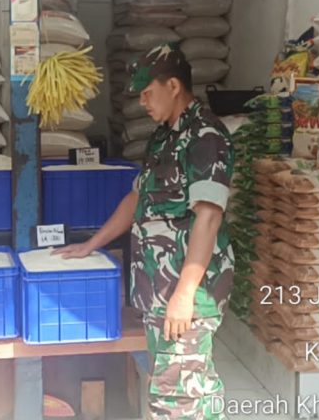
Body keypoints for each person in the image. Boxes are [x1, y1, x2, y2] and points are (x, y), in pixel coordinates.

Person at [55, 43, 235, 419]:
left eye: (148, 93)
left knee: (177, 399)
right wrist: (91, 244)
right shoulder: (162, 137)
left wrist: (184, 295)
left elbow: (208, 218)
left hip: (187, 293)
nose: (142, 102)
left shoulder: (206, 137)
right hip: (158, 291)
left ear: (174, 86)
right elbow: (137, 199)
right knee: (187, 389)